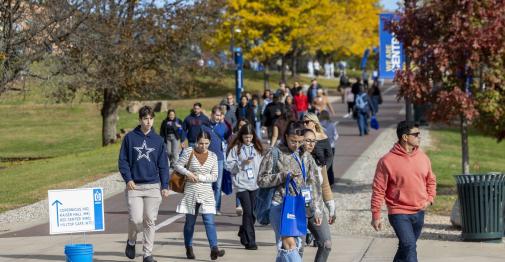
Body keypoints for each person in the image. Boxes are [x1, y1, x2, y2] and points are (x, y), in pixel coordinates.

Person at [257, 121, 323, 262]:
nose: (297, 145)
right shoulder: (274, 153)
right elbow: (261, 180)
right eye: (293, 141)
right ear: (286, 136)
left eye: (300, 142)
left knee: (294, 246)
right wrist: (283, 175)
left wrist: (316, 209)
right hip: (280, 204)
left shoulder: (306, 156)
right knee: (289, 244)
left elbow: (314, 183)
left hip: (299, 205)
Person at [371, 121, 436, 262]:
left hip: (419, 211)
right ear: (405, 137)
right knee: (409, 245)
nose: (419, 137)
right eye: (416, 134)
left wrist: (430, 198)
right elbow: (378, 189)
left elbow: (431, 180)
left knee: (405, 248)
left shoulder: (423, 157)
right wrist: (376, 214)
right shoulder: (386, 161)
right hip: (398, 212)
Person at [119, 106, 170, 262]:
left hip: (153, 186)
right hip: (134, 186)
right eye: (145, 118)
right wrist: (128, 179)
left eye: (151, 118)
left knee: (150, 220)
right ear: (140, 119)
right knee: (135, 219)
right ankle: (131, 241)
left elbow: (163, 164)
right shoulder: (130, 138)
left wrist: (165, 185)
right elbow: (123, 161)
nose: (149, 122)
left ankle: (147, 254)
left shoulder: (158, 140)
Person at [174, 131, 226, 261]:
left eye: (206, 143)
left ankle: (214, 249)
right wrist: (188, 173)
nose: (203, 146)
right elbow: (177, 165)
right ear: (196, 141)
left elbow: (214, 176)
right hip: (191, 192)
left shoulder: (213, 156)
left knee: (209, 221)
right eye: (201, 143)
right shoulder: (189, 151)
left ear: (210, 143)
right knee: (190, 223)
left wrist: (199, 177)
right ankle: (189, 247)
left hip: (206, 193)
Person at [226, 124, 265, 250]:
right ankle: (250, 241)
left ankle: (243, 231)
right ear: (241, 136)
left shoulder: (257, 148)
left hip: (255, 184)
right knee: (247, 212)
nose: (248, 139)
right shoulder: (236, 149)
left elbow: (262, 164)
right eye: (246, 137)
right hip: (241, 184)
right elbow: (229, 165)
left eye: (250, 137)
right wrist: (241, 164)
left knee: (253, 213)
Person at [301, 128, 336, 262]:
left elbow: (325, 186)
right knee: (298, 248)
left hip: (316, 209)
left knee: (326, 244)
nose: (310, 144)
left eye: (313, 141)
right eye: (307, 140)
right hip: (298, 209)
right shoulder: (295, 159)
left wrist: (331, 208)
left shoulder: (319, 161)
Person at [203, 106, 232, 215]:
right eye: (216, 115)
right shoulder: (204, 127)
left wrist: (224, 122)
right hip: (207, 158)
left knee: (218, 184)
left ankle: (217, 207)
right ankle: (207, 206)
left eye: (220, 115)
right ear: (212, 115)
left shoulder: (223, 126)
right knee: (208, 183)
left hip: (219, 158)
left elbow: (229, 133)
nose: (218, 117)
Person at [303, 113, 334, 189]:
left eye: (307, 122)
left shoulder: (322, 136)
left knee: (321, 193)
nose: (304, 124)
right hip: (304, 169)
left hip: (318, 169)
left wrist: (323, 169)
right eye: (303, 122)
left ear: (314, 123)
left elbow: (329, 155)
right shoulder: (301, 136)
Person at [318, 111, 338, 186]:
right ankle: (331, 182)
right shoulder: (332, 125)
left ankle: (323, 182)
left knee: (322, 164)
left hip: (322, 147)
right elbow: (336, 136)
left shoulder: (319, 125)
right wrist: (331, 139)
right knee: (330, 165)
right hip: (331, 146)